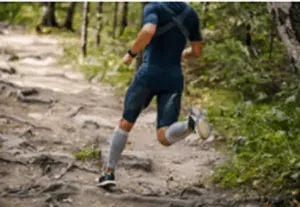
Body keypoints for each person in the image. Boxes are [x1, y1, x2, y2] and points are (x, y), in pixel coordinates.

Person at [97, 2, 210, 187]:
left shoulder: (154, 7)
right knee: (164, 137)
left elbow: (148, 31)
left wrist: (131, 53)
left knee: (125, 124)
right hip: (173, 79)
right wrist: (180, 55)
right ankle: (191, 124)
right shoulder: (191, 14)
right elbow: (197, 51)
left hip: (148, 76)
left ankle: (109, 174)